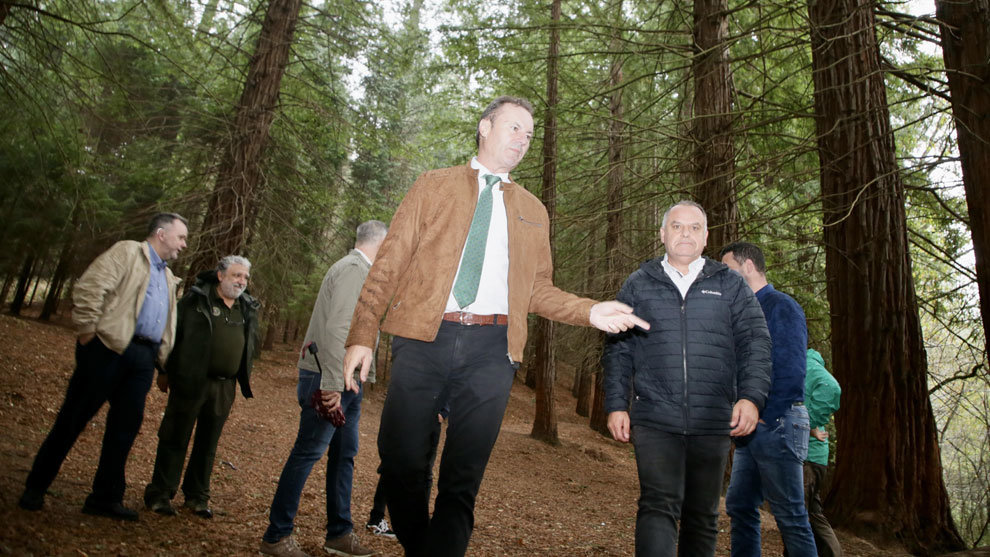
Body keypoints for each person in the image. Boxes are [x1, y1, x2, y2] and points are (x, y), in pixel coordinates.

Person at [340, 95, 648, 557]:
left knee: (462, 479)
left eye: (530, 134)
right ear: (485, 127)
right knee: (401, 460)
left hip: (492, 349)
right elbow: (387, 264)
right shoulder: (432, 186)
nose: (523, 140)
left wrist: (589, 310)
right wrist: (363, 334)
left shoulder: (532, 209)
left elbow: (537, 289)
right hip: (424, 337)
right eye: (514, 128)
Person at [603, 200, 772, 557]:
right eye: (677, 226)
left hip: (712, 420)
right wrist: (617, 405)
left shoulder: (731, 285)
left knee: (702, 515)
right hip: (654, 418)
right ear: (662, 234)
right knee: (657, 506)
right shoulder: (638, 283)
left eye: (694, 227)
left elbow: (755, 343)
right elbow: (618, 349)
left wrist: (751, 398)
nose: (685, 234)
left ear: (706, 237)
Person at [18, 212, 189, 520]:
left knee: (124, 431)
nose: (184, 244)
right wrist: (87, 335)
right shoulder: (127, 252)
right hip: (108, 350)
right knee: (72, 419)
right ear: (161, 234)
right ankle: (35, 488)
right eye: (181, 237)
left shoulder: (167, 276)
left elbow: (166, 323)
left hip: (142, 360)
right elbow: (90, 289)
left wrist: (161, 361)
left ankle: (105, 498)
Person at [260, 220, 387, 557]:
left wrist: (357, 380)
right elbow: (339, 328)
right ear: (380, 243)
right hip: (330, 379)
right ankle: (276, 536)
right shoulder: (353, 269)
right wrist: (332, 386)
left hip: (348, 383)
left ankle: (339, 534)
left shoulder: (364, 273)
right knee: (307, 454)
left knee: (344, 456)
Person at [143, 255, 259, 519]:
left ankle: (197, 497)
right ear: (221, 275)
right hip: (190, 379)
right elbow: (173, 334)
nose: (241, 281)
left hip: (224, 386)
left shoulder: (247, 307)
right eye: (236, 275)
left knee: (208, 443)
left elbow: (251, 343)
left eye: (245, 277)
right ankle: (160, 494)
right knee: (175, 436)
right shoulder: (196, 300)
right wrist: (164, 370)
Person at [720, 241, 816, 556]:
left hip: (778, 422)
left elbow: (791, 368)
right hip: (754, 429)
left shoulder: (780, 306)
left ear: (748, 266)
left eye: (728, 269)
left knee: (790, 515)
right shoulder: (742, 310)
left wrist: (764, 414)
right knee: (740, 505)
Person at [366, 406, 448, 540]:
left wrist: (444, 412)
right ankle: (376, 518)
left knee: (426, 471)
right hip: (409, 414)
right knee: (392, 465)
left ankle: (420, 526)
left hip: (433, 420)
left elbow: (455, 386)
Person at [799, 348, 842, 556]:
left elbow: (833, 387)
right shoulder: (810, 366)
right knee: (814, 514)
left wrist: (810, 422)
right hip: (815, 458)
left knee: (797, 515)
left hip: (809, 459)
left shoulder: (807, 367)